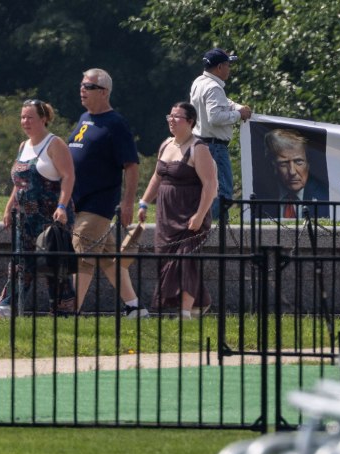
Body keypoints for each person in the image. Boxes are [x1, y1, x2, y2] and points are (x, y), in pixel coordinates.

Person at [67, 68, 148, 318]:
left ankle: (69, 312)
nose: (82, 90)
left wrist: (127, 203)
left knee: (81, 255)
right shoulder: (84, 118)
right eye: (81, 85)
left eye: (88, 87)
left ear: (103, 92)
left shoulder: (116, 124)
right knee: (108, 260)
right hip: (78, 201)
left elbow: (131, 166)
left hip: (98, 203)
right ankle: (134, 308)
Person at [0, 99, 77, 318]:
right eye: (22, 117)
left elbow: (68, 176)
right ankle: (8, 306)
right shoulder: (23, 146)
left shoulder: (54, 144)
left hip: (51, 217)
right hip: (25, 217)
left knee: (55, 266)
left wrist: (62, 206)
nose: (25, 122)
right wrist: (9, 208)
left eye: (30, 117)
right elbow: (19, 184)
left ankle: (62, 311)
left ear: (43, 119)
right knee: (19, 263)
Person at [138, 102, 217, 319]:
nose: (171, 120)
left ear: (190, 121)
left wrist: (200, 215)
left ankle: (185, 313)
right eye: (169, 116)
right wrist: (144, 202)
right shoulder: (165, 144)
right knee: (167, 260)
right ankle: (201, 303)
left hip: (189, 214)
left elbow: (210, 184)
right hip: (166, 215)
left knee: (186, 261)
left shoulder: (198, 148)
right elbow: (157, 176)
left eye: (177, 117)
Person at [189, 48, 252, 221]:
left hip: (200, 143)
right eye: (227, 65)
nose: (229, 69)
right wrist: (239, 115)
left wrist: (238, 107)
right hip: (215, 146)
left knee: (207, 188)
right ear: (219, 67)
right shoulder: (214, 87)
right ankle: (202, 223)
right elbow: (215, 117)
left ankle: (218, 237)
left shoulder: (199, 82)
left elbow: (222, 103)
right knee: (223, 192)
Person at [264, 128, 330, 219]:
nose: (292, 172)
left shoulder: (326, 196)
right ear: (273, 166)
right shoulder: (263, 195)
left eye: (298, 162)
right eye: (284, 163)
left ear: (308, 164)